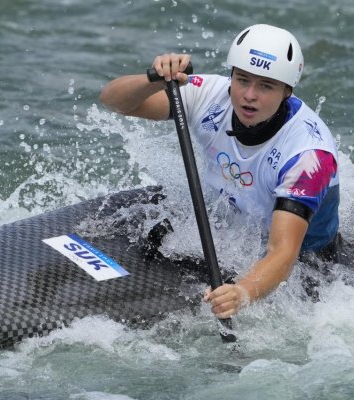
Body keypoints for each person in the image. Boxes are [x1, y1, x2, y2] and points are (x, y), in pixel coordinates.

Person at [99, 24, 340, 319]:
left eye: (266, 85)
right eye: (242, 80)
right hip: (231, 223)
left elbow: (282, 252)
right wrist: (153, 79)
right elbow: (114, 102)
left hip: (307, 261)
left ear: (286, 91)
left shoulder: (309, 157)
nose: (249, 95)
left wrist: (242, 292)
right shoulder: (209, 94)